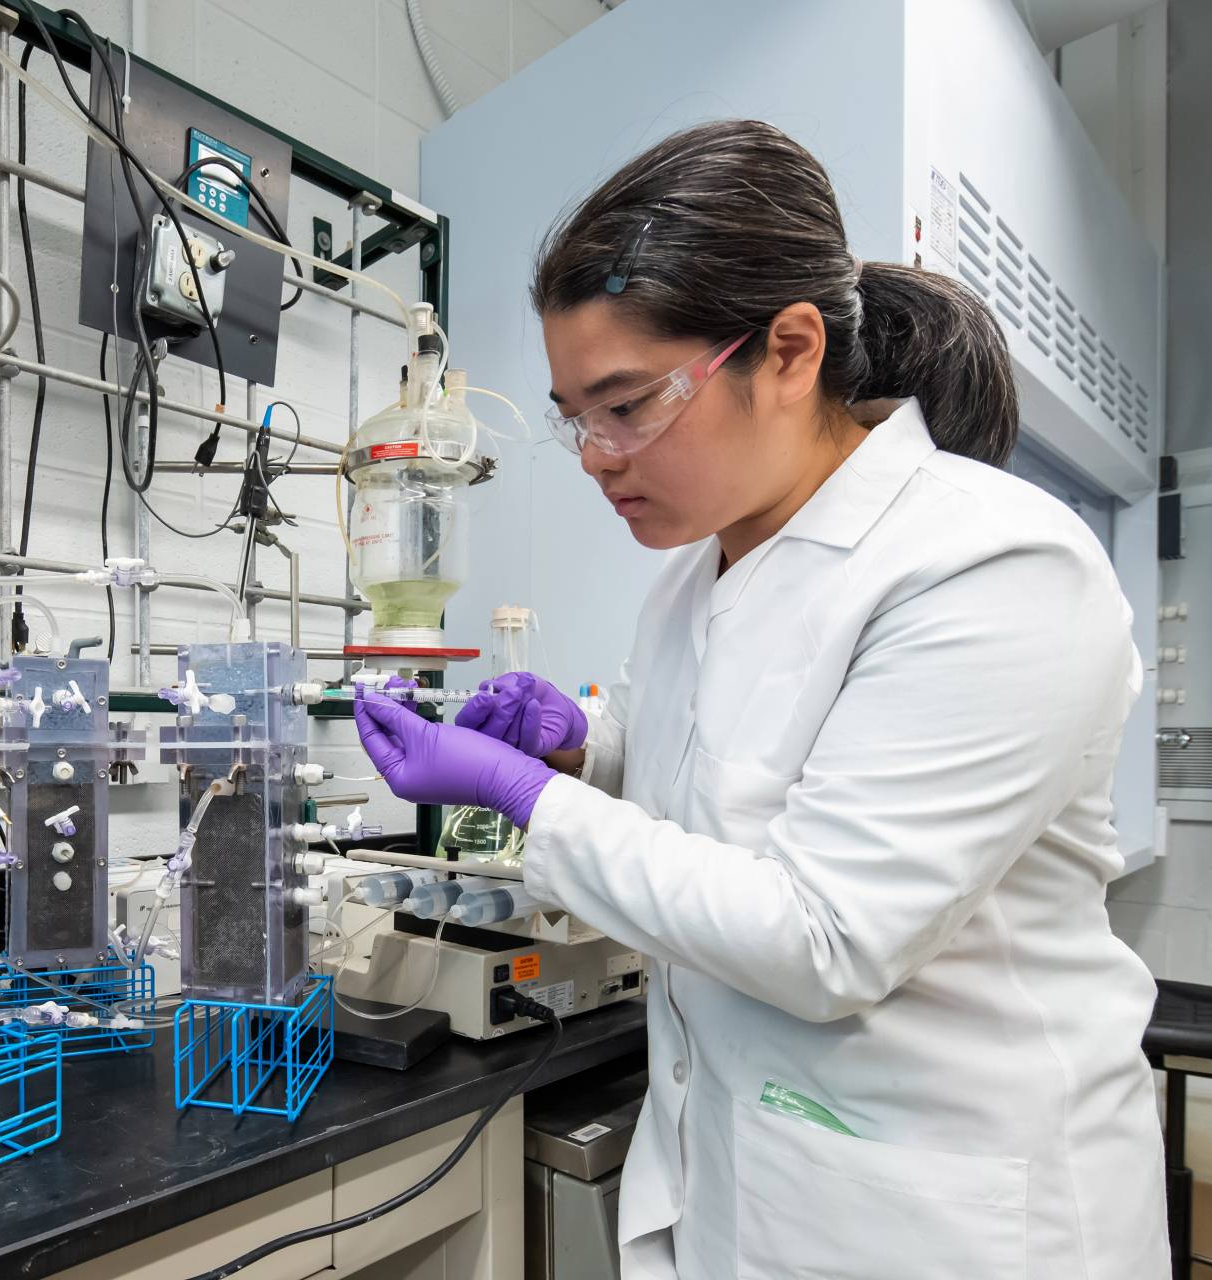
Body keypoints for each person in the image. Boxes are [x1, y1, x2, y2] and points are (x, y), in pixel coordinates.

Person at [355, 119, 1167, 1279]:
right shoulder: (698, 571)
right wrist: (585, 744)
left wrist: (523, 793)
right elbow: (721, 770)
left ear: (788, 351)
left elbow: (826, 936)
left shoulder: (994, 564)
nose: (593, 453)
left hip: (952, 1215)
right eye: (573, 413)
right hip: (744, 1174)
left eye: (627, 404)